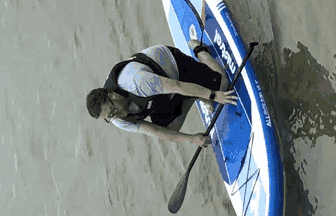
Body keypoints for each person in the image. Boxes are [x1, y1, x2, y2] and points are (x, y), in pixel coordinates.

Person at [86, 40, 237, 147]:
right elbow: (156, 131)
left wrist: (213, 95)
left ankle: (199, 49)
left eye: (113, 111)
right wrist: (192, 139)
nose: (116, 116)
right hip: (159, 94)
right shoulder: (115, 118)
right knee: (170, 128)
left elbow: (176, 85)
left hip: (173, 66)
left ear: (112, 95)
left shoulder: (137, 82)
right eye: (110, 117)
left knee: (222, 86)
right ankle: (193, 96)